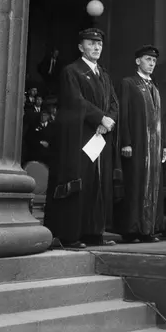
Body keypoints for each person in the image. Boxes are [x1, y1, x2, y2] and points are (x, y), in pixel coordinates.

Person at [44, 28, 120, 249]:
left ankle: (93, 232)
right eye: (91, 43)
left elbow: (114, 102)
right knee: (79, 182)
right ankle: (70, 235)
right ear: (80, 47)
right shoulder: (72, 71)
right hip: (80, 135)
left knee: (97, 184)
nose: (96, 47)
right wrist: (100, 118)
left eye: (99, 44)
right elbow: (75, 101)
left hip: (100, 136)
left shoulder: (104, 74)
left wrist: (108, 120)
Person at [115, 45, 166, 243]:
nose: (151, 63)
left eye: (154, 61)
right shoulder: (129, 83)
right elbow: (123, 113)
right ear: (138, 61)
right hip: (137, 145)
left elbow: (161, 118)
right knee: (135, 185)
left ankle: (149, 229)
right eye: (148, 59)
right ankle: (132, 230)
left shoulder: (155, 86)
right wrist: (126, 141)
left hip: (155, 148)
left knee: (153, 186)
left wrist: (165, 145)